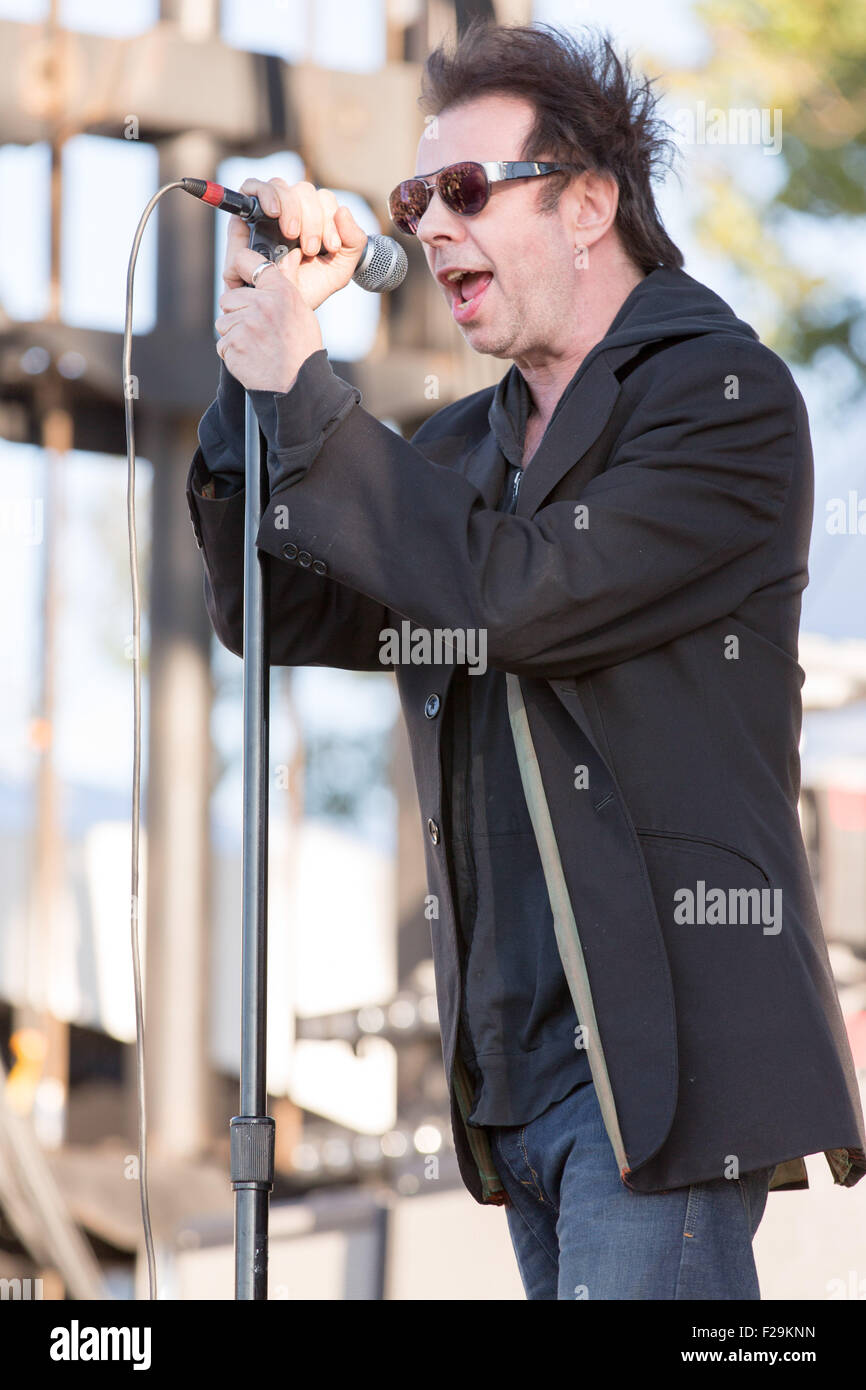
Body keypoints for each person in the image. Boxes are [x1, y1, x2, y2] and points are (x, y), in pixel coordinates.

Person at [185, 21, 866, 1300]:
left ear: (586, 204)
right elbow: (271, 605)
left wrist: (318, 392)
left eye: (462, 192)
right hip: (512, 1086)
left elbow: (522, 594)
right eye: (409, 201)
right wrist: (256, 379)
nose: (430, 229)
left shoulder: (721, 404)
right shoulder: (459, 452)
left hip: (655, 1082)